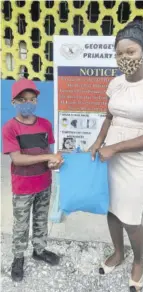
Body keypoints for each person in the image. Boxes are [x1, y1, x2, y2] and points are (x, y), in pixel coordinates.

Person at [90, 21, 143, 291]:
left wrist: (115, 148)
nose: (124, 58)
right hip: (109, 156)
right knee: (111, 209)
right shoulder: (115, 84)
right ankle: (118, 252)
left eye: (131, 52)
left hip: (137, 159)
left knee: (131, 217)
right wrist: (99, 142)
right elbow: (109, 118)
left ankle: (138, 260)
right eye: (120, 53)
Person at [2, 78, 64, 282]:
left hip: (44, 183)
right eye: (22, 99)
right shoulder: (10, 128)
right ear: (14, 102)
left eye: (32, 99)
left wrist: (54, 163)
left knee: (40, 219)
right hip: (23, 186)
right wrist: (48, 158)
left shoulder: (45, 124)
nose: (28, 103)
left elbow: (49, 153)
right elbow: (18, 159)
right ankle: (18, 258)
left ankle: (39, 250)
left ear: (37, 100)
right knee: (21, 224)